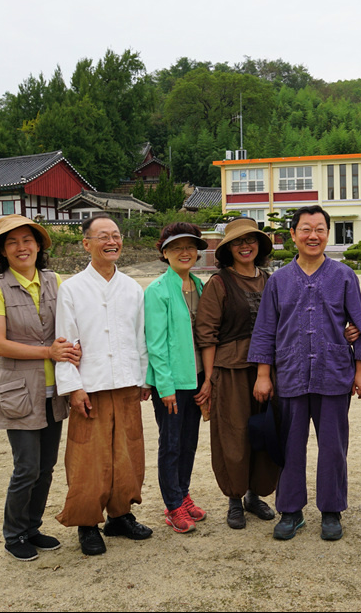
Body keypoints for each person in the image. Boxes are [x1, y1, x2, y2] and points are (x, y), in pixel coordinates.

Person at [248, 205, 361, 541]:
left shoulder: (343, 275)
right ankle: (290, 510)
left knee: (333, 446)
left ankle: (331, 510)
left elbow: (359, 326)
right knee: (291, 445)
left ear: (327, 234)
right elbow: (265, 330)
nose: (313, 235)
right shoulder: (278, 281)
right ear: (293, 235)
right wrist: (264, 374)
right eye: (306, 229)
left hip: (333, 372)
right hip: (290, 373)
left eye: (320, 229)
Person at [0, 215, 81, 561]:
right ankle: (13, 534)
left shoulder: (56, 281)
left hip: (54, 391)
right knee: (26, 467)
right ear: (3, 252)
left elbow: (69, 329)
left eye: (28, 241)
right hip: (19, 392)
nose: (22, 248)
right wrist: (47, 351)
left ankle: (32, 528)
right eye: (12, 243)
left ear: (38, 246)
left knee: (47, 465)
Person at [54, 214, 153, 556]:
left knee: (127, 453)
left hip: (127, 383)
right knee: (88, 457)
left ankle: (121, 515)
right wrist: (73, 388)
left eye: (116, 235)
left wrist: (144, 378)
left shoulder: (131, 288)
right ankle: (87, 523)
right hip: (90, 386)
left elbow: (140, 337)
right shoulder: (71, 289)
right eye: (103, 237)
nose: (112, 242)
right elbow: (64, 343)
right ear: (86, 243)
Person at [195, 218, 281, 529]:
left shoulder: (271, 280)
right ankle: (234, 498)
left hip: (269, 369)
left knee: (265, 430)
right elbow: (207, 334)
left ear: (260, 246)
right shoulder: (219, 284)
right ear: (228, 248)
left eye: (251, 240)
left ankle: (255, 495)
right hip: (230, 370)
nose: (245, 246)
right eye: (237, 242)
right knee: (233, 434)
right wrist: (209, 379)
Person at [144, 223, 210, 534]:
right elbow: (155, 343)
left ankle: (183, 494)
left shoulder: (199, 286)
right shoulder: (157, 291)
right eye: (176, 247)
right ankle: (172, 506)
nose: (185, 252)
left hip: (195, 377)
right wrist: (164, 386)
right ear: (165, 252)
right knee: (170, 443)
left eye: (190, 246)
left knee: (189, 442)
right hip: (170, 383)